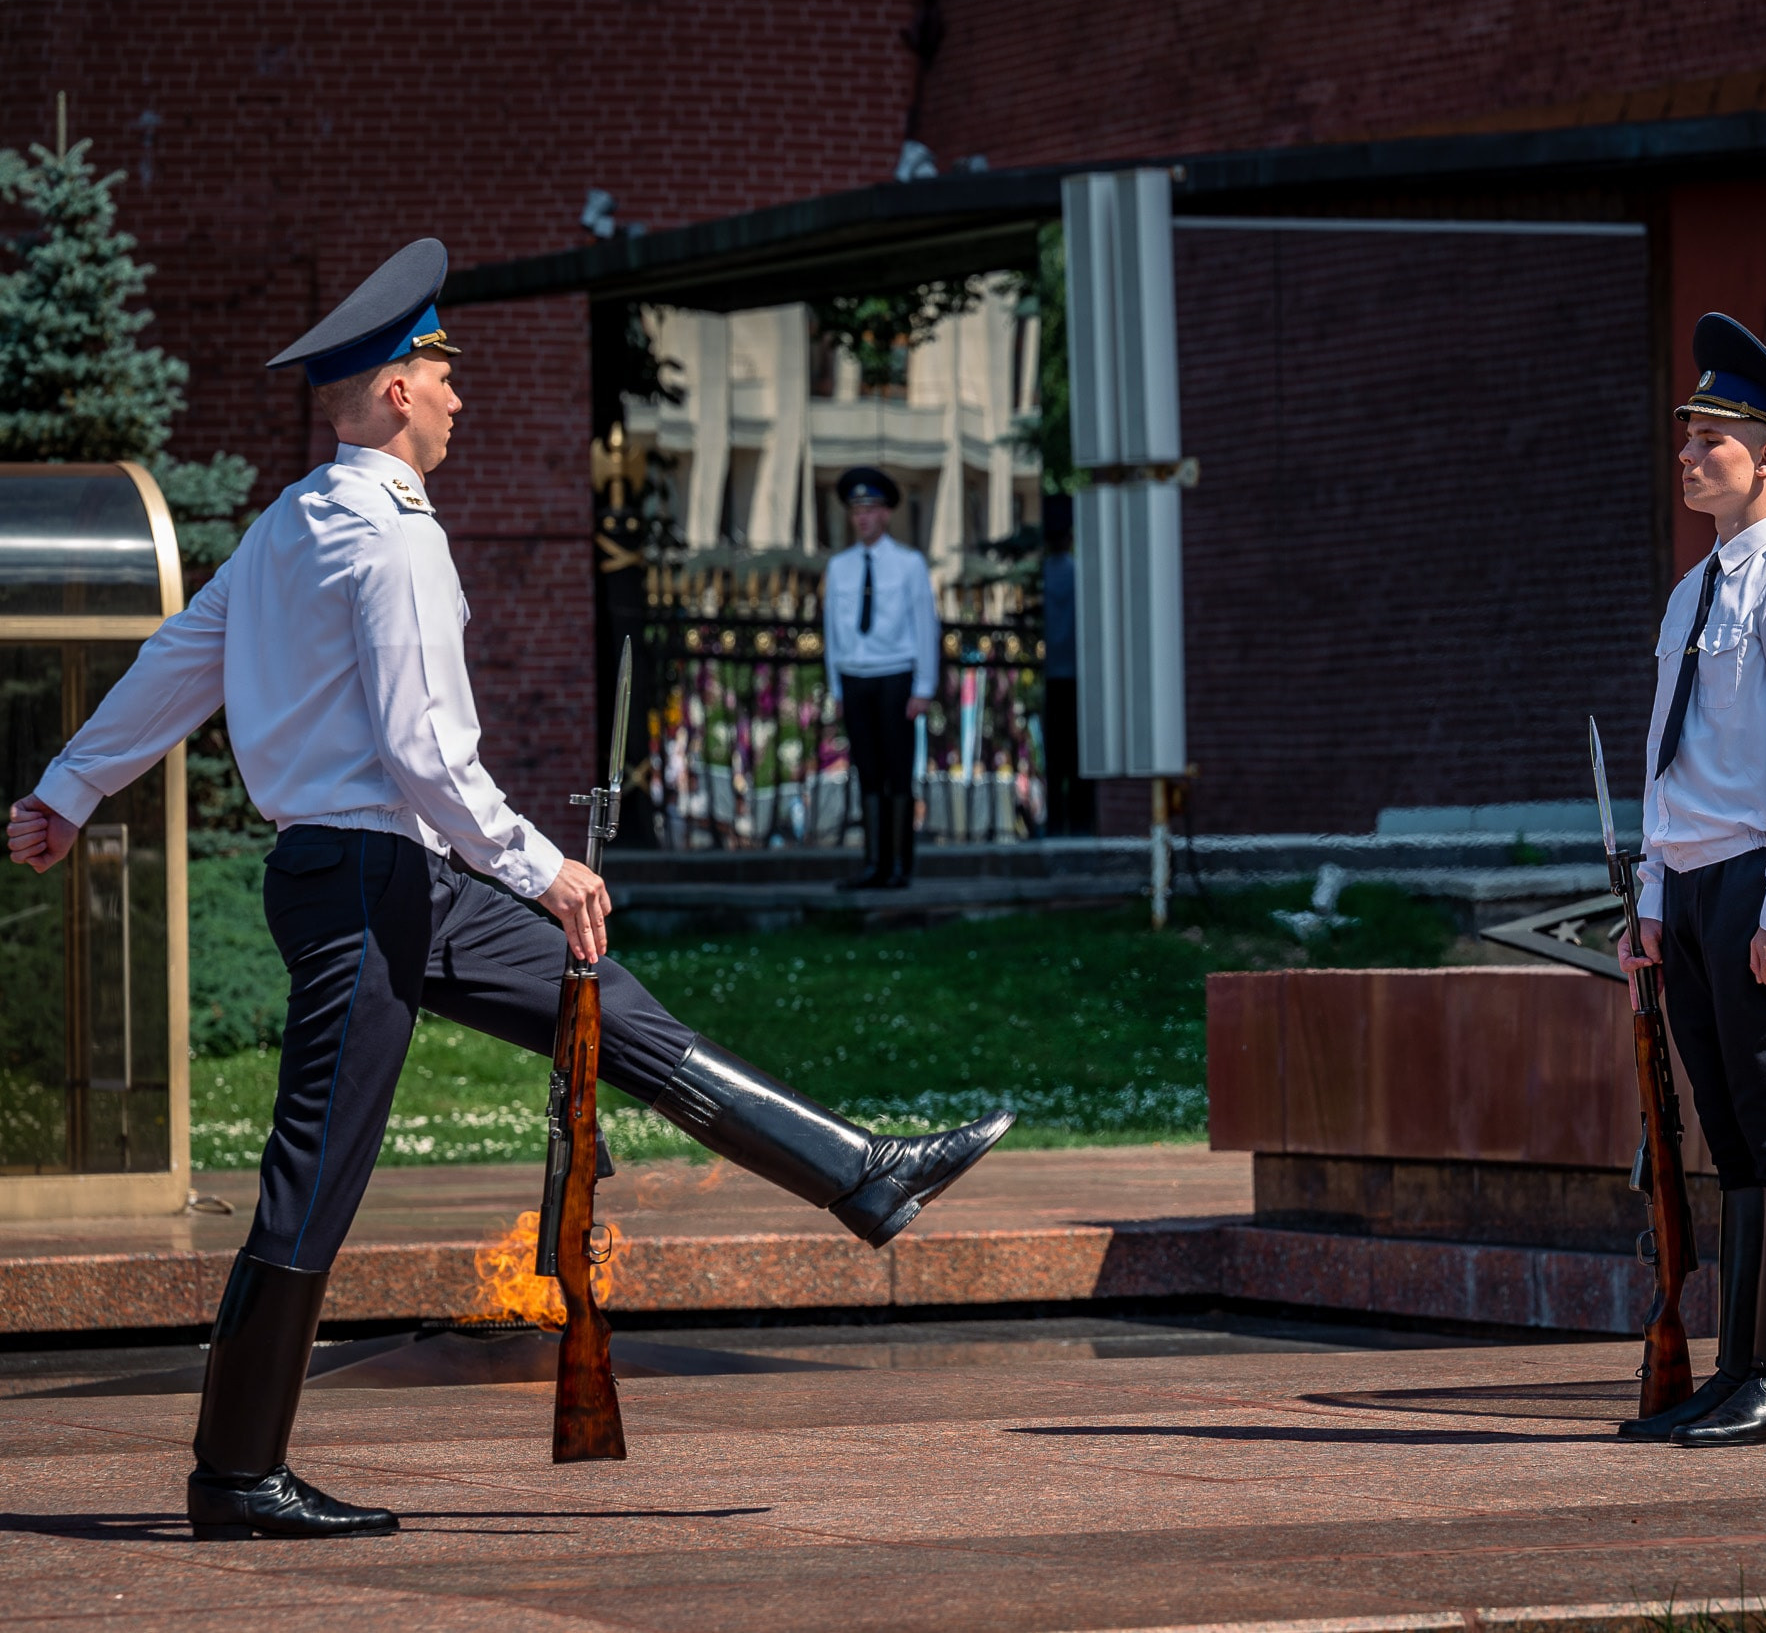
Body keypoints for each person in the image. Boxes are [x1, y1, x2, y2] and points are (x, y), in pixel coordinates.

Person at [5, 241, 1013, 1541]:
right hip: (367, 883)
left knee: (612, 1012)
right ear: (393, 391)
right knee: (314, 1174)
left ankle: (862, 1171)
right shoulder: (392, 540)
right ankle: (236, 1473)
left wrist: (71, 787)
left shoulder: (284, 525)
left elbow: (176, 662)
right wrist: (547, 865)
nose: (456, 396)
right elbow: (427, 752)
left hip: (388, 878)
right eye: (440, 374)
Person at [1615, 313, 1766, 1448]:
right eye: (1687, 434)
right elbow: (1669, 760)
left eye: (1709, 438)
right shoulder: (1692, 591)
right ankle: (1737, 1370)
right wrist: (1653, 902)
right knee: (1732, 1132)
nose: (1688, 453)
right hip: (1696, 884)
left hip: (1758, 881)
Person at [821, 467, 937, 888]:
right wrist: (836, 687)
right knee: (867, 770)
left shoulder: (909, 564)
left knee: (897, 770)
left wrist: (924, 687)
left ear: (886, 514)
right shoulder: (839, 567)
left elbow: (925, 626)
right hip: (856, 676)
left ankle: (899, 865)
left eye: (870, 510)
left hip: (895, 675)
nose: (863, 518)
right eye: (857, 511)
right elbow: (832, 632)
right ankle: (873, 862)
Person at [1038, 494, 1094, 836]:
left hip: (1052, 674)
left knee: (1055, 755)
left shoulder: (1044, 575)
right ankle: (1081, 819)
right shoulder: (1080, 573)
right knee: (1078, 753)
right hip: (1078, 674)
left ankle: (1057, 820)